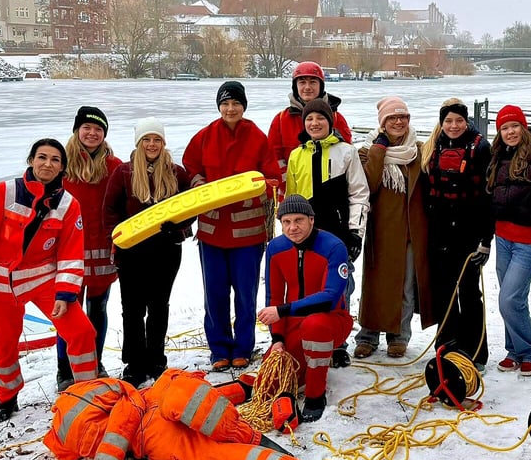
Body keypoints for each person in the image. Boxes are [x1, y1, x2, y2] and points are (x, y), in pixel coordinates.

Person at [43, 370, 369, 460]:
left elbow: (127, 399)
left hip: (153, 424)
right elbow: (127, 396)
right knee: (220, 442)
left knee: (218, 437)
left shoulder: (65, 429)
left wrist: (109, 452)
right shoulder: (76, 405)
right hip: (156, 415)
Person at [0, 139, 99, 422]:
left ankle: (89, 391)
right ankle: (7, 399)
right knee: (4, 345)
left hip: (44, 281)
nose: (47, 164)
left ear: (62, 167)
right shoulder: (4, 193)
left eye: (55, 160)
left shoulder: (68, 205)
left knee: (81, 331)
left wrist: (65, 294)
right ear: (31, 160)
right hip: (2, 283)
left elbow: (70, 253)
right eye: (42, 157)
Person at [182, 81, 282, 372]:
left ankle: (243, 347)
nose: (230, 109)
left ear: (243, 106)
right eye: (225, 104)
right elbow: (190, 168)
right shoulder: (204, 136)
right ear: (219, 107)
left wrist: (255, 189)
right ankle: (219, 348)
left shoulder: (257, 138)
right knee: (214, 293)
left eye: (236, 103)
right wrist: (197, 181)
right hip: (212, 233)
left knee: (245, 293)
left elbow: (273, 179)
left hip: (248, 236)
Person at [104, 118, 191, 387]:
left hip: (165, 251)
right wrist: (120, 238)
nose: (152, 144)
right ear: (138, 143)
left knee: (158, 307)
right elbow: (109, 212)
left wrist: (177, 230)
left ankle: (156, 359)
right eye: (146, 140)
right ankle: (134, 363)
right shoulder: (123, 173)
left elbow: (191, 209)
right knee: (132, 309)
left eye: (157, 139)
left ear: (163, 143)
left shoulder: (177, 173)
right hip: (132, 253)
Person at [257, 195, 354, 423]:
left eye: (299, 220)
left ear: (312, 220)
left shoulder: (334, 247)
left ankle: (315, 395)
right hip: (292, 322)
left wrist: (282, 311)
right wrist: (277, 338)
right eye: (286, 222)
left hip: (331, 319)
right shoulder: (276, 248)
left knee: (315, 325)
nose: (293, 227)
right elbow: (274, 296)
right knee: (269, 383)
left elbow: (329, 298)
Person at [354, 96, 435, 359]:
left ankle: (399, 335)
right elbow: (369, 185)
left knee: (406, 288)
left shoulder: (419, 150)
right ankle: (368, 335)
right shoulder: (367, 151)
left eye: (403, 117)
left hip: (412, 230)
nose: (399, 122)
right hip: (382, 229)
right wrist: (379, 150)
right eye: (393, 118)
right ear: (383, 122)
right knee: (375, 286)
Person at [419, 98, 493, 370]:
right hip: (439, 232)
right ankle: (447, 345)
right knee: (444, 291)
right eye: (448, 121)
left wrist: (486, 240)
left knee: (469, 292)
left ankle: (476, 351)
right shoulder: (433, 148)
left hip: (469, 232)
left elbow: (487, 196)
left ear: (466, 122)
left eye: (459, 121)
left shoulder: (480, 148)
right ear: (441, 123)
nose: (453, 126)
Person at [487, 105, 531, 376]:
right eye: (504, 128)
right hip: (503, 236)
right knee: (513, 298)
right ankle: (514, 350)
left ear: (524, 126)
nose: (510, 132)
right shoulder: (499, 153)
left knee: (509, 298)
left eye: (514, 126)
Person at [57, 106, 121, 391]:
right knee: (68, 313)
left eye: (98, 129)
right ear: (77, 130)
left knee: (98, 309)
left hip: (102, 252)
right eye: (87, 128)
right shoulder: (60, 164)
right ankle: (65, 370)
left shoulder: (114, 166)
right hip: (67, 254)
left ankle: (95, 362)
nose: (92, 133)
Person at [285, 98, 369, 305]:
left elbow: (359, 194)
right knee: (306, 287)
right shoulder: (296, 155)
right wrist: (290, 229)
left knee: (339, 288)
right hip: (306, 234)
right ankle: (304, 334)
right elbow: (291, 198)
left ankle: (338, 335)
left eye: (320, 118)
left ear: (330, 122)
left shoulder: (347, 152)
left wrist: (355, 233)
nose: (315, 123)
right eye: (309, 118)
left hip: (338, 233)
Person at [268, 61, 353, 202]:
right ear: (295, 86)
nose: (307, 87)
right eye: (302, 82)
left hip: (330, 200)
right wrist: (290, 188)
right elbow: (273, 159)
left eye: (313, 82)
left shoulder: (337, 119)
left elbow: (348, 159)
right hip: (294, 199)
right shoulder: (281, 120)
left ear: (321, 86)